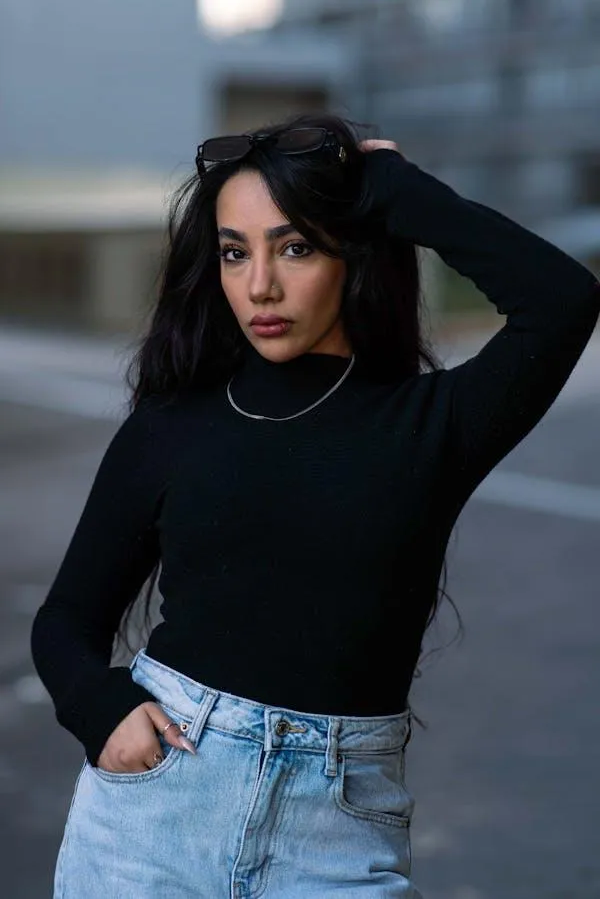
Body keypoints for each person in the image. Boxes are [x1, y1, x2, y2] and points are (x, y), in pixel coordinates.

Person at [31, 112, 600, 898]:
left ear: (352, 252)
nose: (260, 284)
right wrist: (100, 710)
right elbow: (66, 622)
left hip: (335, 836)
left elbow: (564, 299)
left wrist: (395, 189)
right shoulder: (171, 427)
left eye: (294, 246)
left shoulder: (430, 426)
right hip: (154, 815)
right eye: (236, 253)